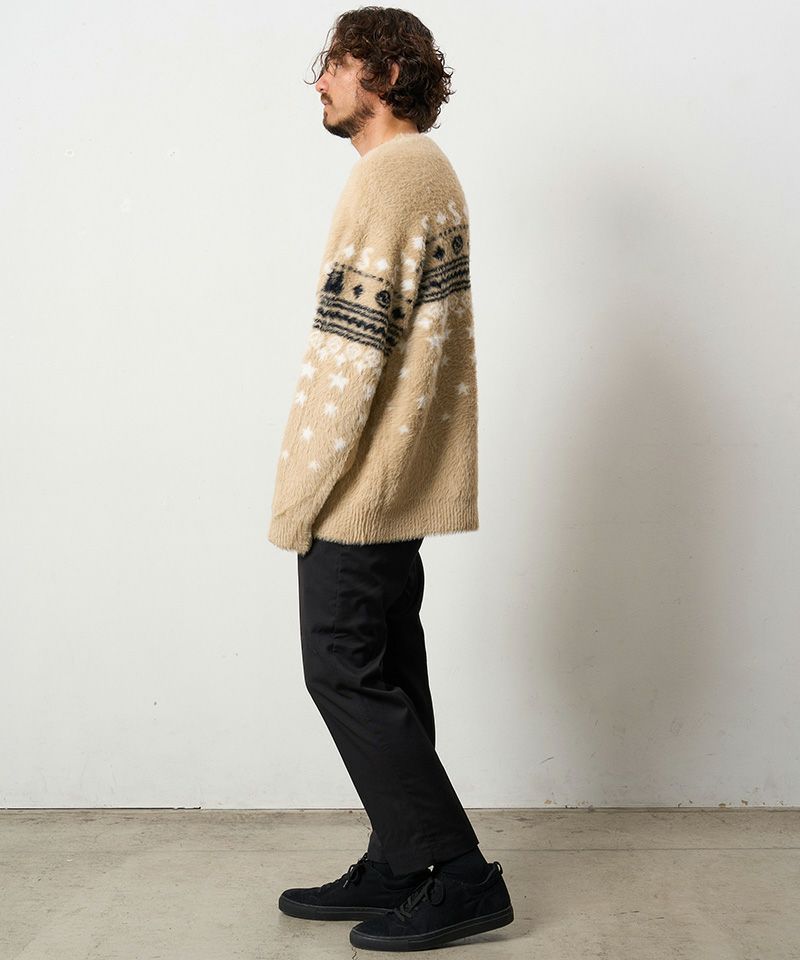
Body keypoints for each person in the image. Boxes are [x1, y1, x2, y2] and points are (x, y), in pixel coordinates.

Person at [267, 7, 514, 951]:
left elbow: (352, 351)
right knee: (390, 672)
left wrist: (301, 495)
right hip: (398, 477)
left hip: (359, 483)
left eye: (334, 63)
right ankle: (402, 856)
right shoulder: (431, 171)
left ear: (386, 71)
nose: (319, 82)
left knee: (340, 666)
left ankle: (461, 874)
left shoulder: (387, 177)